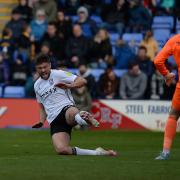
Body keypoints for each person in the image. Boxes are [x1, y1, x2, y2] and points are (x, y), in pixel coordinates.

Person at [32, 54, 117, 156]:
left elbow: (82, 81)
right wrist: (41, 122)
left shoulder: (58, 74)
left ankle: (83, 118)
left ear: (50, 65)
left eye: (45, 67)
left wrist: (69, 86)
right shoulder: (37, 85)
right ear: (36, 69)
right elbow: (42, 107)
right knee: (61, 149)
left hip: (66, 108)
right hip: (54, 120)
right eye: (39, 68)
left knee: (71, 112)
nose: (42, 70)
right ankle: (98, 152)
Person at [154, 34, 180, 160]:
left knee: (173, 115)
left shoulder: (175, 40)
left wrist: (166, 74)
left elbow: (157, 61)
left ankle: (165, 152)